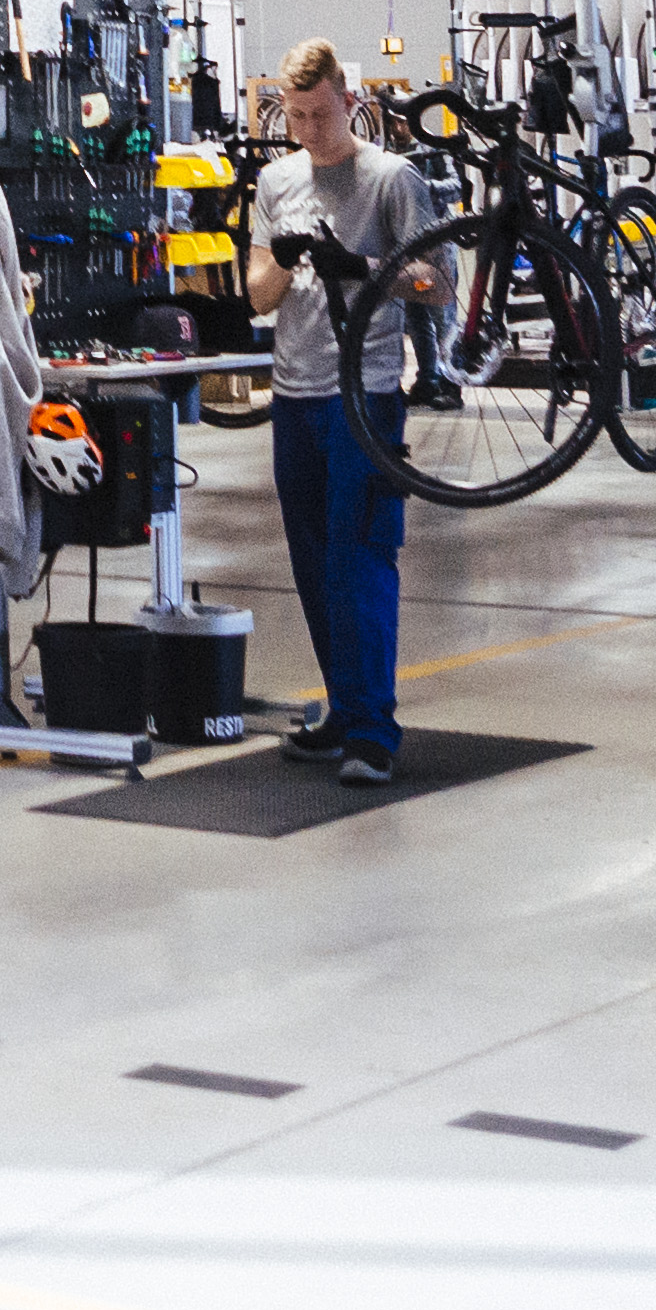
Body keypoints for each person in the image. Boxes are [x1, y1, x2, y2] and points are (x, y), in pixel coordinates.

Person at [252, 41, 438, 788]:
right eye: (294, 117)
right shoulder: (276, 179)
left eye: (321, 115)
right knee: (311, 564)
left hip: (366, 394)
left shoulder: (393, 180)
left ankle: (371, 731)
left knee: (357, 560)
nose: (307, 131)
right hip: (293, 396)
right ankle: (342, 704)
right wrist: (288, 261)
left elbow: (438, 284)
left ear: (349, 103)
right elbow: (257, 294)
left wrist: (362, 268)